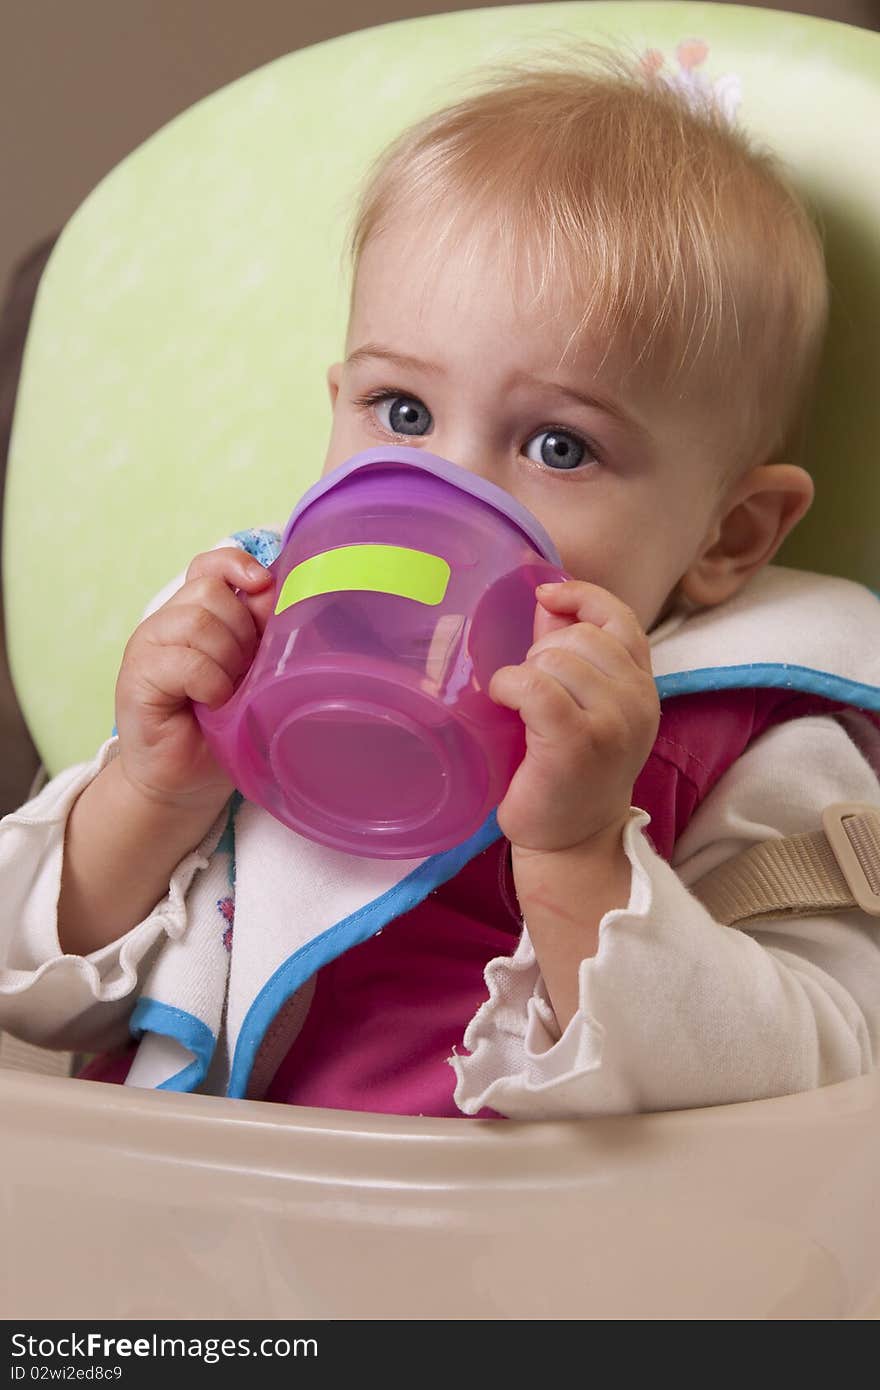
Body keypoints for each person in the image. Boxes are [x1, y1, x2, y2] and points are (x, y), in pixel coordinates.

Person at [2, 48, 879, 1119]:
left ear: (727, 534)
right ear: (337, 403)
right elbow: (39, 1005)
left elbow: (815, 1079)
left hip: (524, 1265)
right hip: (202, 1232)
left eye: (560, 446)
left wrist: (577, 853)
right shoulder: (249, 645)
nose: (444, 487)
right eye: (402, 412)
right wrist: (152, 796)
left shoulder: (759, 730)